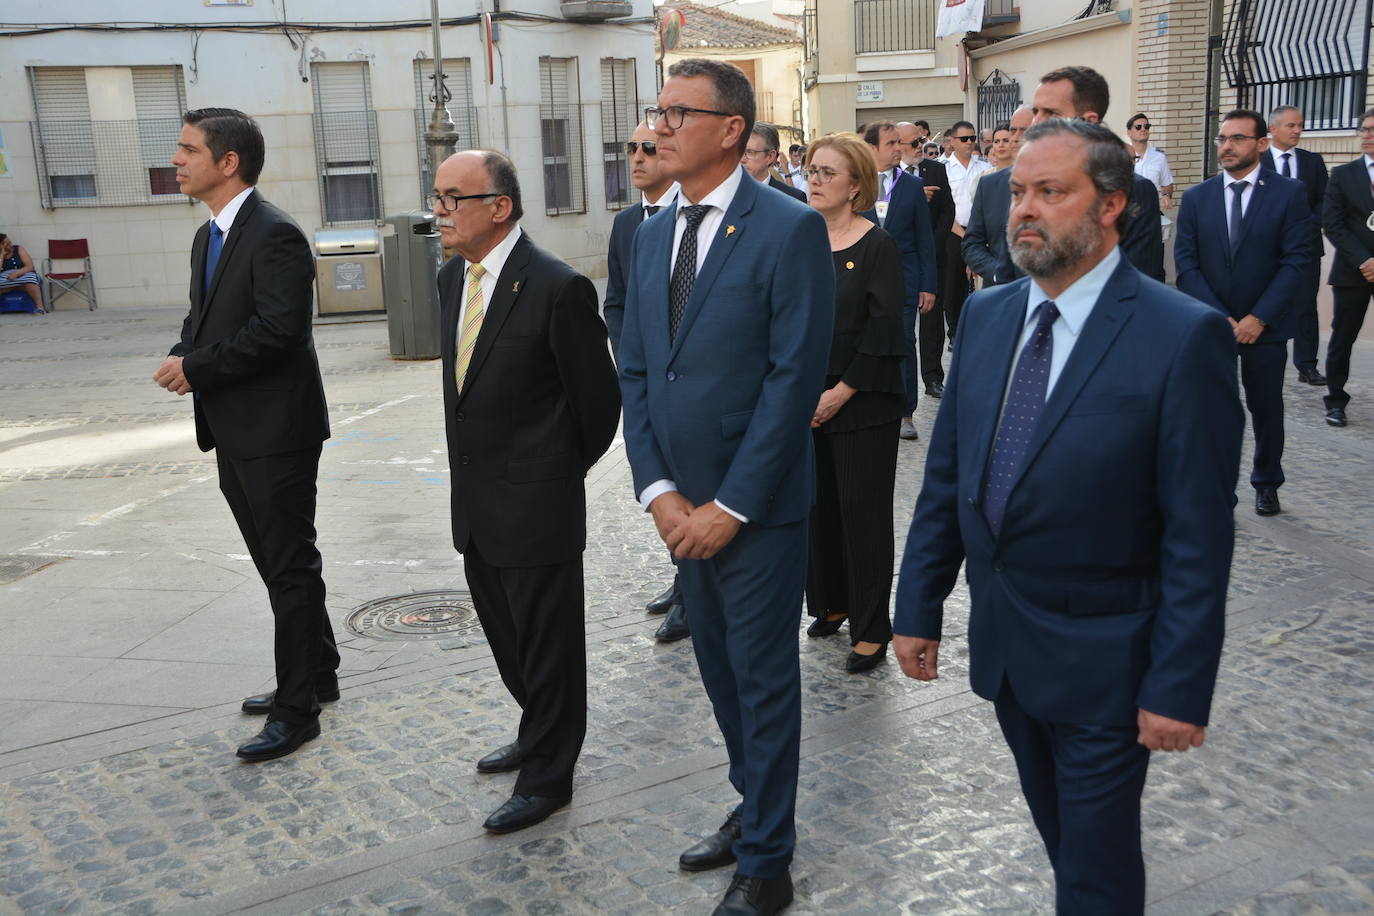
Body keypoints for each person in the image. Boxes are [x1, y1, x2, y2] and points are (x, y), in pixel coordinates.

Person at [894, 117, 1243, 915]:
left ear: (1112, 205)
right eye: (1018, 191)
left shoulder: (1181, 337)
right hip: (1010, 653)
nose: (1024, 210)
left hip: (1110, 666)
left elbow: (1197, 533)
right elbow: (949, 479)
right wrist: (919, 608)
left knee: (1093, 869)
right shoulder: (987, 318)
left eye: (1051, 192)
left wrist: (1180, 685)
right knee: (1068, 846)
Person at [619, 57, 833, 916]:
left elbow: (793, 380)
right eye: (657, 111)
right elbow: (636, 371)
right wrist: (660, 491)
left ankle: (768, 863)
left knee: (763, 679)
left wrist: (730, 505)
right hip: (682, 512)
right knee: (717, 672)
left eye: (678, 112)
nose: (659, 126)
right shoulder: (645, 233)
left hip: (757, 513)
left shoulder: (788, 231)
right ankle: (754, 807)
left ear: (732, 130)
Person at [433, 149, 620, 834]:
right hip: (478, 506)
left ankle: (548, 776)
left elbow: (599, 407)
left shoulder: (556, 287)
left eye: (455, 197)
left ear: (500, 207)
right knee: (509, 639)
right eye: (438, 196)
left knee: (549, 647)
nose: (441, 210)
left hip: (536, 505)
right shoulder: (454, 280)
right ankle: (535, 726)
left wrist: (550, 475)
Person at [154, 108, 337, 762]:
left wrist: (195, 367)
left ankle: (298, 711)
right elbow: (205, 319)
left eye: (187, 150)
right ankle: (319, 668)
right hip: (233, 427)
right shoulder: (210, 237)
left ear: (227, 162)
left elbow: (280, 332)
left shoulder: (276, 235)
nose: (176, 160)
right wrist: (185, 352)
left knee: (289, 565)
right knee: (273, 560)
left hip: (277, 430)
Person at [800, 133, 905, 674]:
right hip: (805, 398)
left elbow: (887, 329)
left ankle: (871, 627)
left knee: (862, 514)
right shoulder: (800, 239)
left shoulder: (876, 245)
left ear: (856, 187)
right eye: (811, 169)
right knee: (819, 511)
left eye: (827, 173)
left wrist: (841, 392)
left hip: (863, 400)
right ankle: (833, 602)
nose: (814, 179)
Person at [1175, 109, 1310, 518]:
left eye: (1236, 138)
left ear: (1261, 145)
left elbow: (1296, 261)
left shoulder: (1289, 194)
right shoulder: (1197, 198)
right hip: (1212, 328)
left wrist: (1259, 318)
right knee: (1215, 411)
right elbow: (1187, 265)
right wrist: (1221, 318)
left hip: (1264, 329)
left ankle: (1267, 481)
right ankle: (1219, 489)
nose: (1226, 146)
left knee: (1266, 409)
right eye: (1222, 138)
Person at [603, 122, 689, 643]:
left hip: (689, 380)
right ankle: (683, 579)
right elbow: (617, 301)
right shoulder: (626, 223)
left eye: (648, 148)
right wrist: (628, 356)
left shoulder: (693, 213)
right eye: (630, 147)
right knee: (661, 483)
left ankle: (694, 593)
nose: (636, 156)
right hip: (647, 379)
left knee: (692, 482)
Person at [1031, 66, 1166, 282]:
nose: (1036, 122)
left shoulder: (1135, 189)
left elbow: (1141, 276)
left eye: (1051, 113)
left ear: (1089, 120)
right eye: (1035, 112)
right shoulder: (1028, 184)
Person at [859, 121, 937, 442]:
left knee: (904, 341)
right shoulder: (856, 184)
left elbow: (925, 240)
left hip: (904, 280)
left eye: (899, 143)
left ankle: (906, 411)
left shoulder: (911, 187)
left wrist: (928, 284)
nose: (898, 149)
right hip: (862, 280)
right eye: (891, 143)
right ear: (872, 148)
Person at [1262, 105, 1329, 385]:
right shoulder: (1257, 160)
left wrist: (1306, 229)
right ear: (1273, 129)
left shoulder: (1312, 162)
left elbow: (1325, 201)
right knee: (1264, 303)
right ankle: (1263, 358)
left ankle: (1307, 365)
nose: (1298, 130)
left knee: (1304, 306)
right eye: (1291, 125)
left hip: (1305, 248)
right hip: (1265, 249)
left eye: (1300, 125)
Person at [1317, 107, 1374, 428]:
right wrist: (1364, 260)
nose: (1366, 135)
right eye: (1363, 129)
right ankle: (1336, 400)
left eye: (1372, 130)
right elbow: (1333, 224)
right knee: (1343, 338)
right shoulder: (1343, 175)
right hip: (1353, 271)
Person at [963, 105, 1034, 288]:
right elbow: (972, 245)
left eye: (1024, 131)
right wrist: (998, 273)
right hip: (1000, 293)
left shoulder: (1062, 183)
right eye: (1013, 130)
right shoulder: (989, 185)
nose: (1015, 138)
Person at [941, 120, 992, 349]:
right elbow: (944, 208)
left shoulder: (983, 167)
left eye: (973, 138)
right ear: (952, 141)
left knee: (981, 283)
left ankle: (979, 328)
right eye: (964, 139)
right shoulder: (942, 168)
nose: (970, 142)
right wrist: (962, 234)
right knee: (954, 284)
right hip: (954, 232)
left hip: (980, 233)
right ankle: (954, 332)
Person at [742, 122, 807, 203]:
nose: (742, 159)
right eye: (739, 151)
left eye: (750, 152)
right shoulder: (726, 194)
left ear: (770, 157)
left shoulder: (792, 198)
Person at [1126, 113, 1175, 209]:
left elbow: (1167, 184)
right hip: (1128, 212)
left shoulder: (1159, 156)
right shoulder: (1122, 155)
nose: (1143, 129)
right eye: (1138, 127)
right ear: (1129, 133)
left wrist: (1167, 196)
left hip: (1151, 211)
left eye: (1146, 126)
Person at [0, 235, 45, 313]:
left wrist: (17, 273)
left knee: (31, 279)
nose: (10, 245)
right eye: (6, 244)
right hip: (5, 277)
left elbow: (30, 266)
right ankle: (14, 288)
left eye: (10, 242)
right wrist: (2, 255)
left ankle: (40, 307)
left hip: (23, 273)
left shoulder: (18, 249)